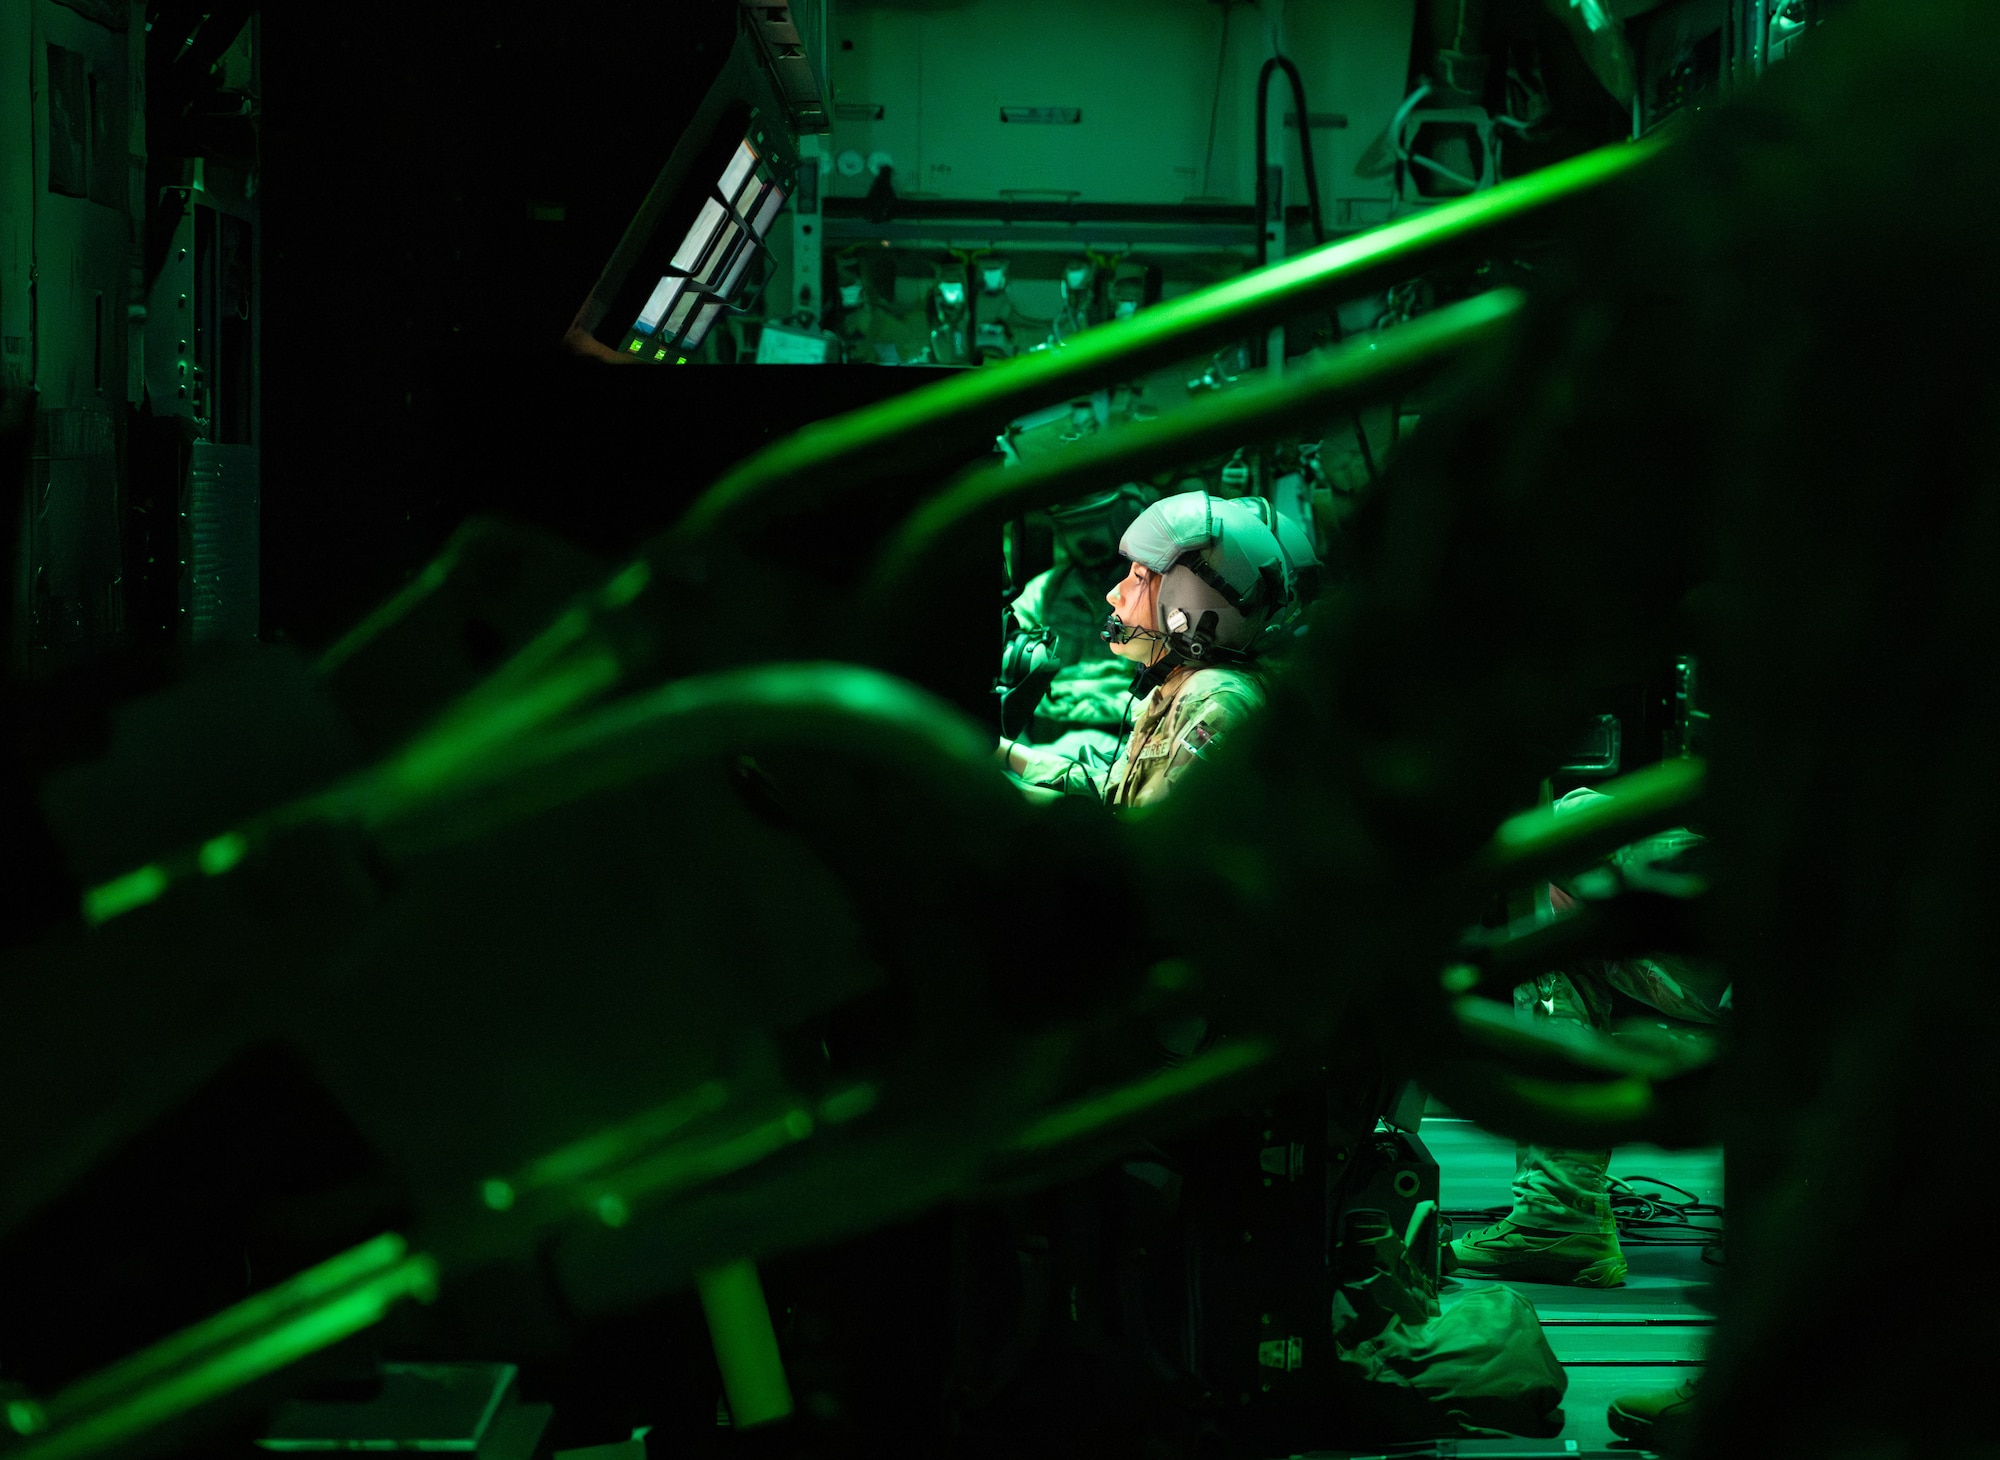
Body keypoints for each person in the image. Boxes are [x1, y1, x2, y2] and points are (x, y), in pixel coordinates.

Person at [999, 490, 1319, 810]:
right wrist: (999, 753)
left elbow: (1150, 839)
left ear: (1187, 605)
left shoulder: (1214, 700)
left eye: (1138, 578)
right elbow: (1115, 791)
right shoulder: (1178, 685)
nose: (1113, 594)